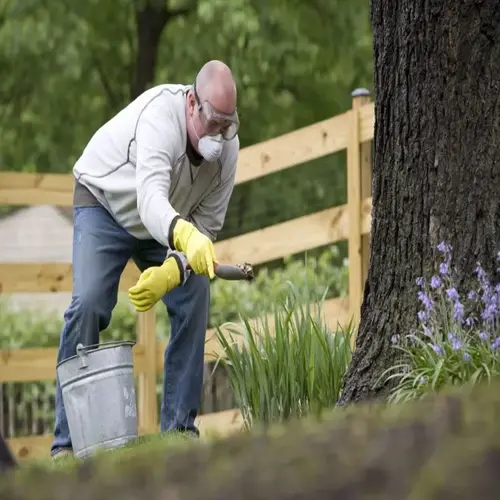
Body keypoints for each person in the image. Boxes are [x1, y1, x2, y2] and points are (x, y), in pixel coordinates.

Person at [50, 60, 240, 458]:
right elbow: (149, 198)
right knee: (88, 304)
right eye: (212, 121)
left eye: (227, 124)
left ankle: (179, 432)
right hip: (106, 201)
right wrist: (185, 235)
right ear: (192, 103)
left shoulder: (227, 151)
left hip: (165, 223)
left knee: (195, 291)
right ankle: (66, 446)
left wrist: (177, 267)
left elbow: (206, 226)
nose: (219, 134)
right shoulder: (160, 117)